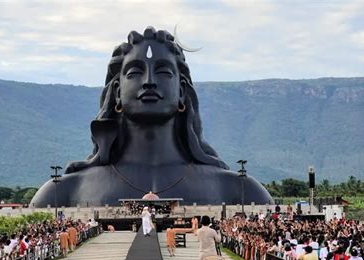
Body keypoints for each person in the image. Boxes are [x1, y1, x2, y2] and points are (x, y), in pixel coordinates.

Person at [31, 26, 273, 208]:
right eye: (135, 72)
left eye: (163, 72)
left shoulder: (240, 191)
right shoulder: (63, 192)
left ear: (181, 92)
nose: (148, 81)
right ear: (116, 93)